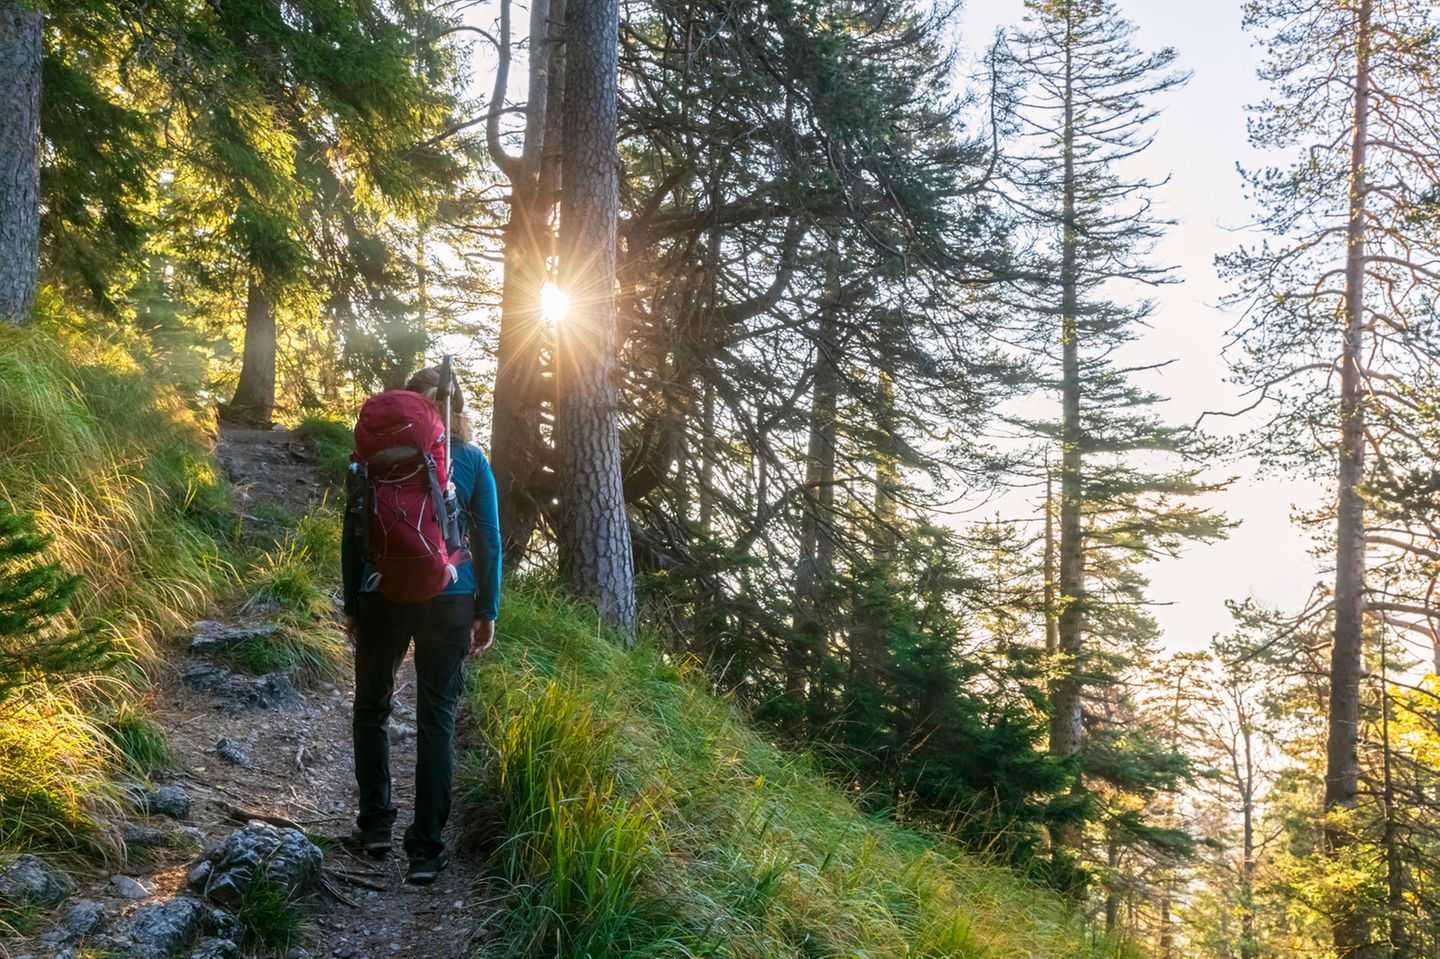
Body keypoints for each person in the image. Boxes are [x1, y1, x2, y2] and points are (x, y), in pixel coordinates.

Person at [341, 364, 502, 884]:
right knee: (437, 718)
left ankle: (375, 826)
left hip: (380, 591)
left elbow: (352, 532)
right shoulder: (473, 460)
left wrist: (351, 603)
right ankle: (427, 850)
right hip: (451, 597)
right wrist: (487, 609)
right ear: (455, 406)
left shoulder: (370, 460)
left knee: (372, 707)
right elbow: (489, 542)